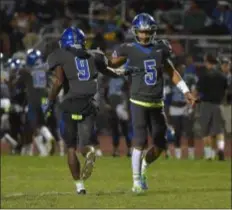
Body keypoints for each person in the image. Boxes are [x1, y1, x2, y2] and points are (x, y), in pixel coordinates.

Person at [106, 13, 196, 193]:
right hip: (138, 101)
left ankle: (144, 167)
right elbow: (111, 64)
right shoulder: (128, 48)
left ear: (153, 32)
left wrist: (186, 90)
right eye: (141, 32)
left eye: (148, 32)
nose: (145, 36)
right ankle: (136, 181)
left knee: (161, 145)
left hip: (157, 103)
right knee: (139, 140)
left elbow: (171, 72)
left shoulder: (161, 48)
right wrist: (117, 68)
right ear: (135, 32)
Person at [44, 27, 118, 194]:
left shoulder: (60, 55)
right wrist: (125, 72)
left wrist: (49, 101)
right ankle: (90, 153)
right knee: (85, 145)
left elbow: (59, 82)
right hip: (88, 104)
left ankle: (79, 186)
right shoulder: (94, 55)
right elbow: (109, 70)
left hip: (70, 103)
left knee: (70, 147)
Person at [13, 49, 55, 156]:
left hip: (34, 100)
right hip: (46, 100)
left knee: (33, 125)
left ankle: (43, 151)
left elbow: (16, 84)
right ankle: (49, 137)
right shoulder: (46, 69)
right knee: (42, 123)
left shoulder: (25, 71)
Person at [196, 53, 228, 161]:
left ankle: (209, 155)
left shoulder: (204, 75)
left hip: (206, 105)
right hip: (218, 105)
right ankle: (221, 149)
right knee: (219, 131)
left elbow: (197, 90)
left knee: (206, 131)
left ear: (207, 62)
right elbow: (225, 91)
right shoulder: (222, 76)